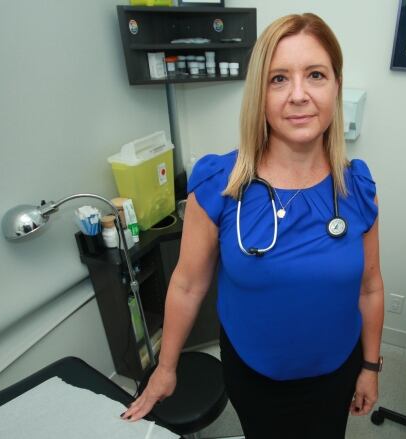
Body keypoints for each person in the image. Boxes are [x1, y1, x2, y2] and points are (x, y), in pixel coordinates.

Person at [121, 13, 384, 438]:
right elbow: (187, 285)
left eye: (315, 75)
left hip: (337, 369)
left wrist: (370, 366)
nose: (298, 95)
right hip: (254, 374)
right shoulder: (220, 186)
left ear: (336, 86)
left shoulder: (357, 189)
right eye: (278, 79)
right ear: (258, 93)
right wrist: (165, 369)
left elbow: (370, 286)